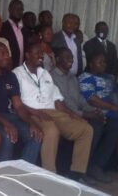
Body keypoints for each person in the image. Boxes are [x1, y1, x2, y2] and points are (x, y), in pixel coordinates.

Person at [13, 43, 93, 182]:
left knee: (86, 129)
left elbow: (57, 100)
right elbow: (17, 103)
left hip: (53, 111)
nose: (40, 56)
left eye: (41, 53)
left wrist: (71, 114)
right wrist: (36, 113)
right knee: (52, 130)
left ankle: (75, 174)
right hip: (32, 111)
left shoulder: (45, 74)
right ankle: (49, 175)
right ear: (27, 55)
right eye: (37, 53)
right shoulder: (17, 73)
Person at [50, 47, 118, 183]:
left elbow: (80, 99)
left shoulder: (72, 77)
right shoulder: (51, 76)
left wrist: (94, 111)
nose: (71, 60)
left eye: (71, 57)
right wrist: (85, 114)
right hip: (65, 113)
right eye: (66, 57)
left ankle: (96, 165)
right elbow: (62, 102)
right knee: (95, 126)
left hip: (80, 112)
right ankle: (81, 170)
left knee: (115, 125)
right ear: (57, 59)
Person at [0, 42, 42, 163]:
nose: (6, 56)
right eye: (2, 53)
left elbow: (18, 105)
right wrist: (6, 124)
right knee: (8, 136)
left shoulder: (10, 75)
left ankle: (22, 174)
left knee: (36, 135)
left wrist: (32, 123)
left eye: (7, 53)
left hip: (7, 115)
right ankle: (2, 176)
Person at [0, 0, 29, 69]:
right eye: (17, 9)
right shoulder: (2, 27)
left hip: (22, 69)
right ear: (9, 9)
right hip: (7, 68)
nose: (20, 12)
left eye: (21, 9)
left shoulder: (25, 30)